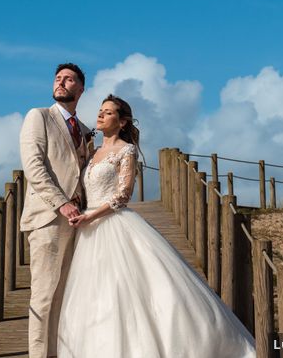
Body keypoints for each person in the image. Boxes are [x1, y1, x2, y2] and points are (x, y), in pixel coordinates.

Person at [57, 95, 257, 358]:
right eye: (100, 111)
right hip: (88, 229)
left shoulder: (126, 150)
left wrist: (91, 216)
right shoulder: (92, 152)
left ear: (122, 121)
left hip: (112, 222)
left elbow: (123, 195)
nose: (101, 115)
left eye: (108, 112)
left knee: (131, 289)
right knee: (96, 295)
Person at [19, 63, 92, 358]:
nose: (61, 83)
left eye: (69, 79)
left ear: (81, 88)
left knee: (65, 294)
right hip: (48, 217)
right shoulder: (38, 117)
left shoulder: (86, 131)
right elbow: (34, 166)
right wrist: (61, 202)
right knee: (44, 293)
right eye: (58, 78)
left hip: (78, 221)